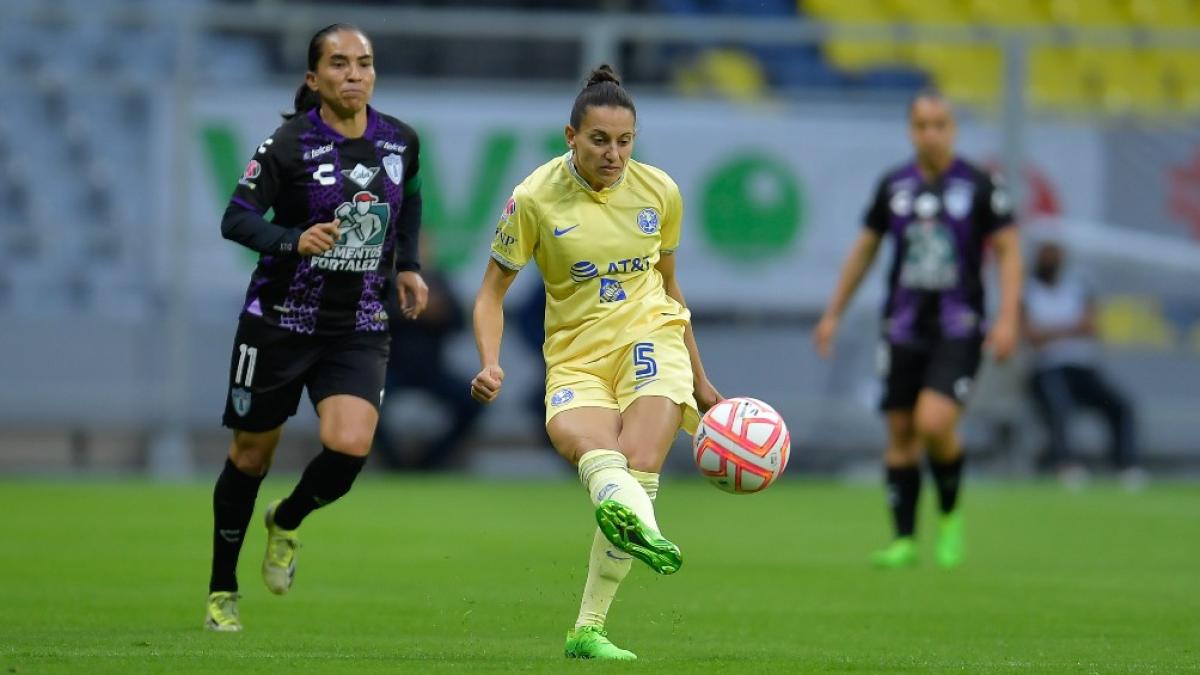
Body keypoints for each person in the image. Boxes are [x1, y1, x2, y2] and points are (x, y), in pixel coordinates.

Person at [469, 65, 721, 661]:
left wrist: (702, 380)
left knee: (640, 462)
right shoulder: (533, 199)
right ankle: (633, 546)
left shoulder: (659, 192)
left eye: (625, 140)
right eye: (600, 140)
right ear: (570, 136)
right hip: (576, 356)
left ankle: (590, 626)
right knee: (590, 451)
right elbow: (490, 295)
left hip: (650, 339)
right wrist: (490, 361)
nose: (614, 154)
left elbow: (671, 289)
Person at [204, 24, 428, 632]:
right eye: (339, 64)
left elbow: (407, 205)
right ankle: (222, 588)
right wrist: (290, 240)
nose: (354, 74)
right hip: (278, 323)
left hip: (357, 323)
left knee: (351, 443)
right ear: (314, 79)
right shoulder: (286, 145)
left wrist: (407, 267)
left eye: (364, 63)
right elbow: (236, 218)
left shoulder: (400, 141)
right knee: (251, 455)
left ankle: (289, 519)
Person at [813, 89, 1022, 569]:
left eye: (940, 125)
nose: (931, 133)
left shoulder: (981, 184)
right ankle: (904, 539)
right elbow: (865, 249)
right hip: (903, 325)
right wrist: (833, 313)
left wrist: (1009, 317)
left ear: (953, 129)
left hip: (959, 325)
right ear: (911, 130)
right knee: (901, 430)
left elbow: (1009, 251)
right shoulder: (894, 186)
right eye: (922, 125)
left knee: (933, 422)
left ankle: (950, 517)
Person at [1022, 240, 1141, 486]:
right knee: (1059, 405)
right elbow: (1032, 336)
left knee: (1121, 405)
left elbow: (1091, 326)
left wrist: (1052, 332)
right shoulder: (1028, 291)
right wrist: (1071, 328)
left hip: (1082, 367)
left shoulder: (1077, 287)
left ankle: (1126, 465)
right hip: (1048, 368)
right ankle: (1065, 463)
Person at [374, 236, 483, 471]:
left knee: (474, 401)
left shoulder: (439, 282)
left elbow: (459, 324)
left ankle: (430, 462)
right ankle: (395, 464)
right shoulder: (382, 282)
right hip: (390, 368)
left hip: (431, 369)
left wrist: (440, 313)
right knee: (363, 403)